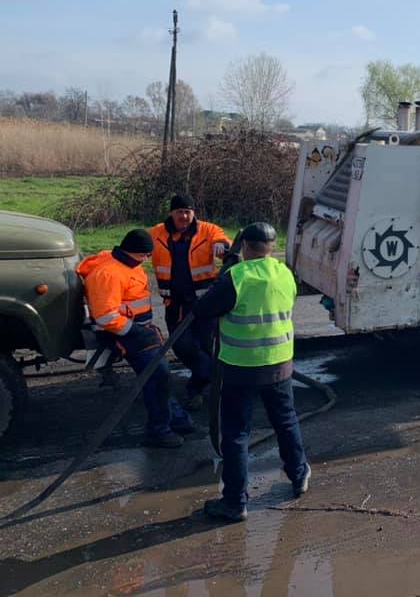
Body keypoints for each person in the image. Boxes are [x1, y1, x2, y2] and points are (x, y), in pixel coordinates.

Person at [193, 222, 310, 522]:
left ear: (243, 245)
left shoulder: (237, 277)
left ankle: (234, 502)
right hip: (280, 364)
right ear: (272, 246)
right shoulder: (286, 272)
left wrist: (226, 271)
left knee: (235, 433)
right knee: (285, 421)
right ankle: (299, 476)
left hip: (240, 368)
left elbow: (203, 309)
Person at [77, 228, 194, 448]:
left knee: (160, 376)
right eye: (145, 255)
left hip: (138, 330)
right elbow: (106, 316)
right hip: (123, 334)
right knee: (157, 376)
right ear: (134, 252)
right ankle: (159, 431)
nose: (147, 259)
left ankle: (176, 418)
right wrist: (136, 332)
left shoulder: (128, 264)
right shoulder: (108, 274)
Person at [149, 195, 231, 411]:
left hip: (204, 303)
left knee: (204, 346)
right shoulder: (156, 233)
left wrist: (222, 247)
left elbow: (222, 240)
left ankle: (196, 389)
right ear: (171, 214)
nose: (184, 216)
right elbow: (136, 247)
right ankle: (215, 376)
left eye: (188, 211)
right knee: (183, 347)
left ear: (193, 213)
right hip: (175, 304)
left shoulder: (208, 230)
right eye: (179, 212)